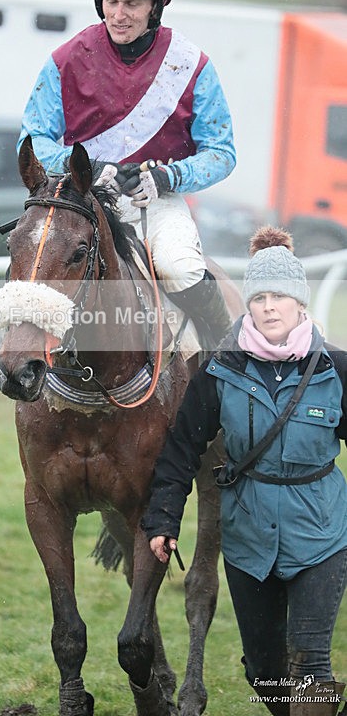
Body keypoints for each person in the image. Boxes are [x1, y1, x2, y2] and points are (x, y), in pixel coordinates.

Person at [142, 226, 347, 716]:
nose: (269, 307)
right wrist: (164, 519)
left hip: (320, 533)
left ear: (300, 304)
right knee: (265, 670)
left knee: (309, 661)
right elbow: (181, 448)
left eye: (280, 297)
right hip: (248, 537)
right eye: (259, 298)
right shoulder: (218, 370)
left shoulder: (336, 367)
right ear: (246, 306)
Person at [18, 0, 236, 347]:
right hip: (81, 200)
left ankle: (228, 357)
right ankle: (18, 366)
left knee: (179, 268)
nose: (118, 15)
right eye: (110, 1)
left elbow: (222, 154)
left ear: (156, 5)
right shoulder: (65, 60)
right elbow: (30, 142)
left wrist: (169, 177)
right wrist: (88, 168)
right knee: (34, 261)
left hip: (154, 203)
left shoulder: (192, 66)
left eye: (132, 4)